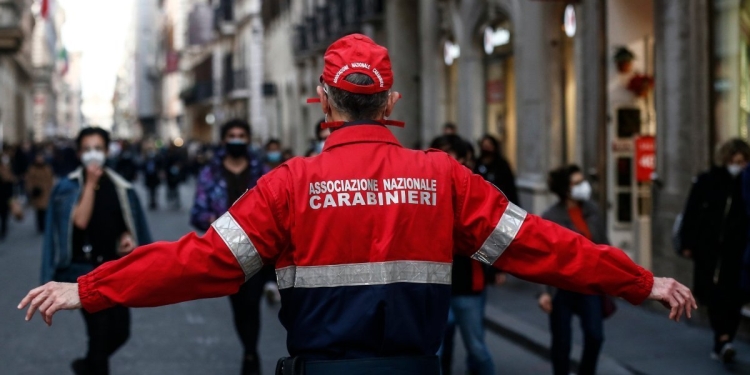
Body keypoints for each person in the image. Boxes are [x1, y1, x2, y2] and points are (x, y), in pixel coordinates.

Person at [21, 34, 695, 375]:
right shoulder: (444, 177)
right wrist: (642, 280)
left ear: (325, 101)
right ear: (392, 102)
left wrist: (90, 288)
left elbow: (200, 262)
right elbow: (547, 245)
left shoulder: (287, 185)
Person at [38, 127, 152, 375]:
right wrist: (90, 183)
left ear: (107, 151)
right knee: (99, 334)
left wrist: (127, 239)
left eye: (98, 149)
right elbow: (79, 221)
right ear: (79, 153)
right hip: (84, 271)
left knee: (121, 332)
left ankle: (87, 365)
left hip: (115, 270)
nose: (93, 154)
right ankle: (94, 365)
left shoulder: (121, 187)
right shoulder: (68, 188)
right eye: (88, 149)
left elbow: (127, 225)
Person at [190, 119, 270, 375]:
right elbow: (198, 211)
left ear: (248, 139)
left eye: (241, 135)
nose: (237, 139)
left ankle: (250, 353)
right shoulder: (210, 173)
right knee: (239, 304)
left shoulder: (262, 171)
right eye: (232, 135)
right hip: (227, 252)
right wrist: (211, 221)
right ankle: (249, 349)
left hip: (258, 249)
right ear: (223, 140)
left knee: (252, 301)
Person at [679, 138, 750, 363]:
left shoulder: (745, 184)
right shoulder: (708, 180)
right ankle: (722, 339)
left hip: (737, 251)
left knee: (736, 297)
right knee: (715, 296)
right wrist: (688, 243)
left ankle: (725, 338)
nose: (738, 166)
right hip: (709, 250)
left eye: (742, 161)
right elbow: (691, 212)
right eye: (734, 161)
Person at [431, 135, 496, 375]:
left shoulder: (474, 189)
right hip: (437, 284)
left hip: (467, 283)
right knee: (435, 350)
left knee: (477, 348)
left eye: (450, 156)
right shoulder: (429, 189)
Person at [537, 165, 609, 375]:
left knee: (595, 335)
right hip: (562, 286)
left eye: (582, 181)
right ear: (565, 189)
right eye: (577, 183)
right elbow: (544, 256)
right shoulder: (551, 216)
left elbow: (605, 245)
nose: (583, 186)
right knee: (562, 341)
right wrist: (543, 292)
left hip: (589, 283)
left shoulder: (592, 210)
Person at [475, 134, 519, 205]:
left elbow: (509, 187)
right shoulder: (477, 163)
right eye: (484, 145)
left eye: (489, 146)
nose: (486, 148)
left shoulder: (502, 165)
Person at [25, 153, 55, 233]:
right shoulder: (32, 169)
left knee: (45, 210)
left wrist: (52, 189)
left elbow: (50, 179)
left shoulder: (47, 168)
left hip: (46, 192)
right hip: (37, 192)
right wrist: (31, 189)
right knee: (39, 211)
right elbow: (29, 180)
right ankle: (40, 226)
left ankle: (45, 225)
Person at [0, 150, 16, 240]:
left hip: (5, 195)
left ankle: (3, 230)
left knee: (4, 214)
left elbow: (10, 182)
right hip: (4, 195)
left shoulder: (7, 169)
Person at [142, 143, 162, 210]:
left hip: (154, 177)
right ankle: (151, 202)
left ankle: (154, 202)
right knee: (150, 191)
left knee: (154, 191)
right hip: (149, 177)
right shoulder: (146, 159)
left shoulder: (156, 158)